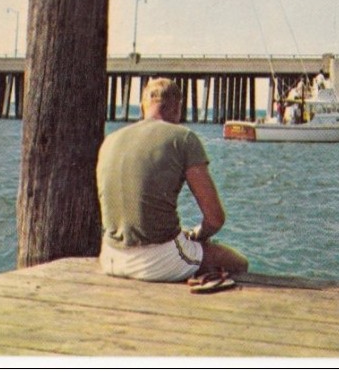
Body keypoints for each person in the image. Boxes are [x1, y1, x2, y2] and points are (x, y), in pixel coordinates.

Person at [96, 77, 248, 282]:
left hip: (110, 257)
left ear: (143, 106)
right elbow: (215, 218)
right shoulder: (183, 138)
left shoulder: (111, 140)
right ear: (178, 108)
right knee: (237, 262)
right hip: (156, 262)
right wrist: (197, 235)